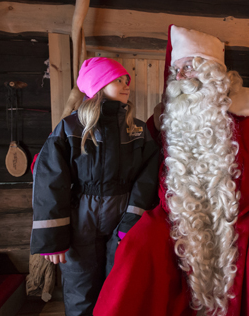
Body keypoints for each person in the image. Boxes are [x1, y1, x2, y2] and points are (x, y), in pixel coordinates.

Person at [94, 25, 249, 316]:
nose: (181, 76)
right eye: (177, 70)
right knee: (137, 248)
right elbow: (132, 162)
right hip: (178, 219)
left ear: (214, 72)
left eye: (190, 66)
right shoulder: (164, 119)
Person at [30, 57, 159, 316]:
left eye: (126, 81)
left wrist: (131, 223)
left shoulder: (138, 131)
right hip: (80, 221)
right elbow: (49, 181)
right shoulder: (70, 128)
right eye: (118, 80)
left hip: (122, 215)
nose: (126, 86)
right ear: (98, 86)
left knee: (119, 288)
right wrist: (53, 237)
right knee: (80, 290)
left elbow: (148, 177)